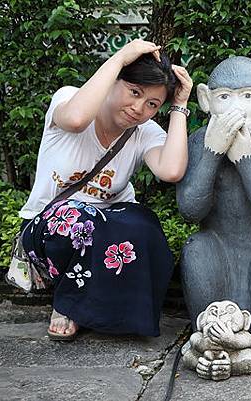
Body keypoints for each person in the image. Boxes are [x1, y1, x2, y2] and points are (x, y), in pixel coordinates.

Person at [18, 39, 193, 340]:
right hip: (49, 228)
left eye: (152, 104)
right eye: (134, 92)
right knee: (78, 219)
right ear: (116, 81)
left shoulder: (143, 132)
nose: (139, 108)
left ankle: (115, 315)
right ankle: (68, 303)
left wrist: (180, 106)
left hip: (107, 226)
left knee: (145, 225)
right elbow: (75, 120)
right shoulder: (71, 99)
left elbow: (171, 170)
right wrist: (120, 57)